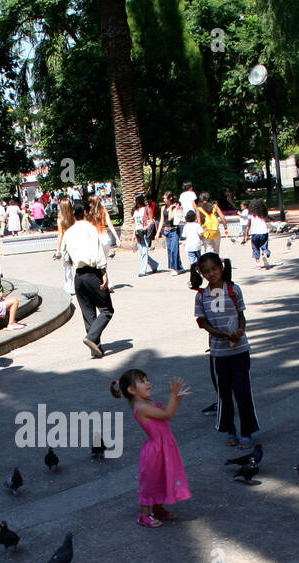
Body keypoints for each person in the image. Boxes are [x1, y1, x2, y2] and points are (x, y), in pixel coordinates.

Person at [192, 254, 258, 448]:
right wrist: (219, 334)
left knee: (242, 391)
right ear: (202, 274)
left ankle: (247, 431)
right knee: (224, 394)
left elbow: (241, 316)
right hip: (218, 353)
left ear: (221, 268)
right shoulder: (201, 295)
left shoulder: (233, 289)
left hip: (240, 350)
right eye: (206, 271)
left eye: (214, 269)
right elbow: (202, 322)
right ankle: (229, 430)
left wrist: (240, 331)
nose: (211, 274)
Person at [111, 369, 191, 528]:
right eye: (142, 381)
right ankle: (144, 514)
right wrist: (173, 395)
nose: (148, 383)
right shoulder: (141, 407)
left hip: (164, 448)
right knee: (151, 483)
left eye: (147, 379)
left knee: (163, 478)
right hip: (155, 451)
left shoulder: (148, 402)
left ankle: (158, 508)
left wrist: (177, 399)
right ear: (131, 390)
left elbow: (167, 414)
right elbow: (167, 414)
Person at [63, 202, 113, 358]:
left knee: (88, 312)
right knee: (106, 309)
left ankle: (95, 348)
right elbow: (98, 252)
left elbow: (66, 258)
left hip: (78, 275)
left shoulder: (68, 232)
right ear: (85, 212)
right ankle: (92, 338)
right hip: (92, 273)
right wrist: (104, 271)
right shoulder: (90, 228)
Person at [133, 193, 159, 276]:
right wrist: (133, 233)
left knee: (144, 251)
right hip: (137, 232)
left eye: (135, 199)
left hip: (144, 232)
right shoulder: (135, 210)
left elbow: (151, 220)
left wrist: (146, 227)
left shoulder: (146, 209)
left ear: (139, 200)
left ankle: (142, 271)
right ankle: (154, 265)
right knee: (142, 252)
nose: (133, 201)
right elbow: (134, 222)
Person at [246, 198, 272, 268]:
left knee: (255, 247)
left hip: (254, 233)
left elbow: (248, 225)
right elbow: (268, 219)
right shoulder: (263, 214)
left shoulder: (251, 215)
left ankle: (258, 263)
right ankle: (265, 254)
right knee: (264, 246)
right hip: (264, 232)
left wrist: (246, 234)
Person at [162, 191, 184, 274]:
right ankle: (177, 266)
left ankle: (175, 268)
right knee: (170, 249)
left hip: (174, 230)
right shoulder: (163, 208)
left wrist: (171, 208)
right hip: (167, 230)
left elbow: (171, 217)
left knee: (174, 249)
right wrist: (158, 233)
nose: (164, 199)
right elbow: (162, 220)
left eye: (165, 198)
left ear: (170, 198)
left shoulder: (175, 207)